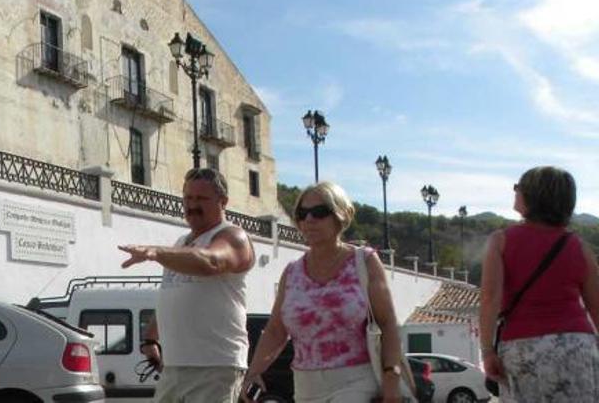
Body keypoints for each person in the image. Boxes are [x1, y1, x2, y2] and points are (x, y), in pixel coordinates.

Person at [242, 181, 404, 403]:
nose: (309, 220)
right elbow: (276, 331)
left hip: (355, 381)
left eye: (319, 212)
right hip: (305, 387)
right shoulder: (292, 273)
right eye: (302, 213)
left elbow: (388, 323)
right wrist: (253, 371)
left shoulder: (363, 262)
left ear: (340, 216)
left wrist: (392, 377)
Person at [118, 167, 255, 403]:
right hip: (174, 367)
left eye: (201, 198)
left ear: (223, 202)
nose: (192, 205)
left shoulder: (233, 237)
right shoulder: (181, 243)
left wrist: (156, 253)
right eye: (188, 198)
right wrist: (151, 338)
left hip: (214, 366)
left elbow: (212, 261)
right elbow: (171, 292)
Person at [479, 166, 599, 401]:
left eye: (518, 187)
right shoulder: (578, 246)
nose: (515, 192)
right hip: (577, 346)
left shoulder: (500, 241)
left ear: (533, 196)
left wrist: (486, 350)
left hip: (523, 347)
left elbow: (489, 299)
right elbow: (596, 306)